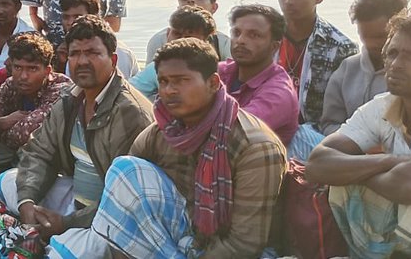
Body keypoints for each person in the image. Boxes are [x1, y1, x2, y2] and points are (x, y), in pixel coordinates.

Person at [48, 38, 287, 258]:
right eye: (164, 82)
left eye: (182, 81)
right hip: (182, 237)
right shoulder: (164, 130)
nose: (170, 90)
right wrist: (69, 223)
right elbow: (119, 197)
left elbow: (244, 244)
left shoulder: (255, 146)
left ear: (213, 83)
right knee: (124, 171)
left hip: (233, 251)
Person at [305, 8, 411, 258]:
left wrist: (359, 171)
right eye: (392, 53)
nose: (394, 64)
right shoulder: (382, 105)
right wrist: (392, 161)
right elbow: (317, 164)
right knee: (341, 184)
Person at [0, 15, 154, 239]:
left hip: (111, 218)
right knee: (9, 182)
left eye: (92, 53)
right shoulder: (71, 98)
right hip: (74, 200)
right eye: (75, 54)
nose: (82, 62)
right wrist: (28, 205)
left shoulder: (130, 113)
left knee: (58, 253)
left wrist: (67, 224)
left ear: (114, 60)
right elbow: (39, 152)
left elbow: (128, 199)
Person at [276, 0, 356, 133]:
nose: (288, 1)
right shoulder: (266, 36)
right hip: (268, 127)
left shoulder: (340, 48)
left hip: (316, 134)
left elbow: (345, 110)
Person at [318, 0, 408, 135]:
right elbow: (329, 124)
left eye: (380, 36)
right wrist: (358, 141)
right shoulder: (347, 70)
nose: (371, 44)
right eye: (365, 36)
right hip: (349, 151)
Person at [0, 32, 71, 172]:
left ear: (47, 71)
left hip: (52, 159)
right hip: (10, 152)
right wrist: (3, 122)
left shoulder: (60, 88)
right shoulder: (11, 84)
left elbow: (23, 135)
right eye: (18, 67)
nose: (23, 76)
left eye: (32, 69)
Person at [220, 4, 300, 150]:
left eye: (254, 35)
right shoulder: (220, 72)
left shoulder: (279, 92)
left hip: (253, 167)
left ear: (274, 47)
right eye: (236, 33)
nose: (241, 40)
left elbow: (235, 130)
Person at [131, 5, 217, 101]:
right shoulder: (157, 68)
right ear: (168, 34)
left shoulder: (216, 70)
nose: (181, 41)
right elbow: (128, 94)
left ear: (205, 41)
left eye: (189, 36)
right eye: (177, 34)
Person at [144, 0, 231, 64]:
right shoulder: (159, 40)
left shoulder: (223, 43)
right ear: (178, 8)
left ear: (214, 7)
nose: (191, 0)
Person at [56, 0, 138, 79]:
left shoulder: (119, 52)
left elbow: (118, 89)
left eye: (77, 16)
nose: (70, 22)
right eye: (66, 17)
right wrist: (61, 64)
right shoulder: (67, 50)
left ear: (94, 16)